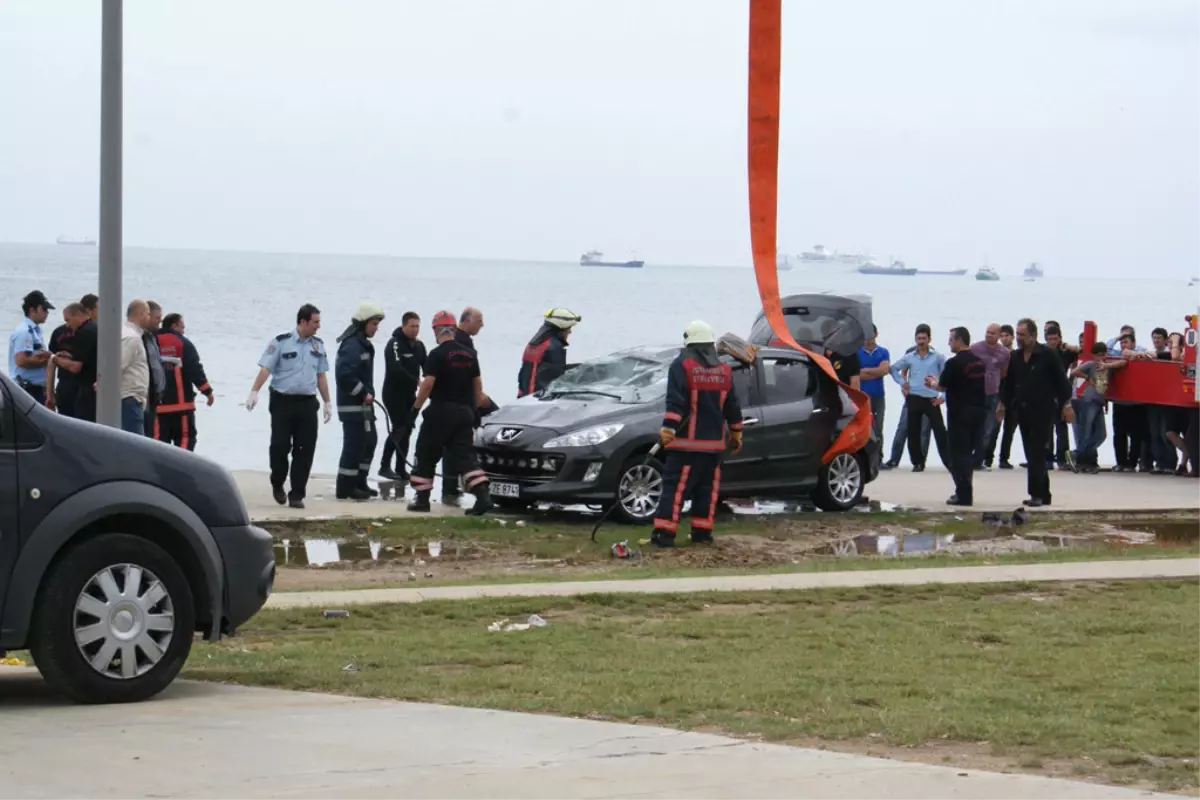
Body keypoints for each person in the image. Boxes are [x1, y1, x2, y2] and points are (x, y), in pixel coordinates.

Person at [650, 320, 743, 547]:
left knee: (675, 490)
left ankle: (664, 534)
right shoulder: (724, 371)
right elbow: (733, 407)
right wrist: (736, 433)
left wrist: (667, 430)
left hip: (685, 446)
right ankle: (702, 533)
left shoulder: (681, 366)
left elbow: (676, 403)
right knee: (707, 491)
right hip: (713, 447)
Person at [407, 310, 494, 515]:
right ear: (454, 329)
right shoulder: (470, 355)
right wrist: (475, 413)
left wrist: (415, 410)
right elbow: (478, 388)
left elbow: (427, 384)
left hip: (440, 411)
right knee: (465, 457)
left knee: (426, 453)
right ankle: (482, 496)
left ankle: (422, 499)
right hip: (465, 413)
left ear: (436, 330)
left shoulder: (436, 354)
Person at [247, 304, 333, 509]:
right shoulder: (281, 342)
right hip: (282, 401)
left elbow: (321, 376)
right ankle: (277, 481)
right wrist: (254, 391)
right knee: (280, 445)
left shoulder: (318, 346)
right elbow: (266, 368)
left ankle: (297, 494)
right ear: (303, 322)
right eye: (315, 322)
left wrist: (328, 402)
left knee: (305, 449)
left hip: (307, 402)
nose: (318, 326)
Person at [999, 319, 1073, 507]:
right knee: (1030, 452)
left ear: (1033, 336)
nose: (1018, 338)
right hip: (1022, 411)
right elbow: (1008, 384)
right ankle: (1044, 494)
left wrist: (1066, 404)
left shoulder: (1047, 355)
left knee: (1037, 452)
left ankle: (1036, 495)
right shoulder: (1015, 356)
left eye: (1022, 335)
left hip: (1043, 410)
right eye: (1017, 334)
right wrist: (1003, 404)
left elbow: (1062, 383)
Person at [926, 326, 986, 505]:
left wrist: (932, 383)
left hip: (959, 413)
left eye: (951, 340)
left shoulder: (953, 363)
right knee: (968, 453)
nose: (949, 343)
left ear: (959, 340)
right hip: (978, 411)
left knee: (959, 456)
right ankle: (965, 492)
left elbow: (942, 386)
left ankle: (964, 495)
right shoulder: (979, 362)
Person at [334, 303, 385, 501]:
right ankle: (345, 488)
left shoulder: (363, 343)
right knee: (354, 445)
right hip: (353, 406)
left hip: (365, 406)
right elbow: (344, 375)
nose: (376, 328)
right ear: (363, 323)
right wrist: (363, 392)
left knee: (369, 442)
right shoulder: (352, 345)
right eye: (373, 323)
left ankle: (359, 482)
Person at [888, 324, 949, 472]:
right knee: (913, 431)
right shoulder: (910, 357)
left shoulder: (938, 357)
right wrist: (903, 383)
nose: (921, 341)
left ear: (929, 339)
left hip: (931, 399)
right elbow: (893, 369)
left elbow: (947, 378)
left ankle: (949, 460)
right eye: (919, 338)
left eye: (924, 338)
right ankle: (917, 462)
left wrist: (943, 396)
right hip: (914, 397)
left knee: (940, 431)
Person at [442, 306, 486, 502]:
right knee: (458, 447)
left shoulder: (464, 341)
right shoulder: (461, 343)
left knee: (453, 447)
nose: (482, 325)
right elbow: (470, 376)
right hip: (461, 402)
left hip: (460, 401)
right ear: (466, 320)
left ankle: (452, 486)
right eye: (479, 321)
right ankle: (455, 486)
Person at [153, 313, 214, 451]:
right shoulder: (183, 343)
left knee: (157, 447)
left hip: (158, 407)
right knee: (184, 443)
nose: (183, 331)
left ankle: (159, 473)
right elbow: (195, 370)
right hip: (182, 407)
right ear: (174, 325)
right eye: (182, 326)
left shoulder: (152, 341)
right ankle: (181, 472)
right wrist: (208, 392)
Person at [379, 311, 426, 481]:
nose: (415, 330)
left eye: (417, 326)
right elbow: (395, 369)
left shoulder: (419, 346)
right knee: (399, 428)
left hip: (409, 395)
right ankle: (384, 466)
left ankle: (400, 468)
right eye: (412, 326)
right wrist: (417, 381)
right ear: (403, 326)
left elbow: (428, 367)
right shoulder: (394, 344)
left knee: (407, 430)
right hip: (393, 394)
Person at [1069, 342, 1127, 473]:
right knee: (1087, 432)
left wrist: (1107, 364)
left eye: (1104, 355)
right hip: (1088, 400)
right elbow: (1074, 372)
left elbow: (1123, 362)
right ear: (1094, 356)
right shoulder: (1091, 365)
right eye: (1099, 355)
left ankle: (1077, 454)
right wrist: (1088, 378)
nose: (1101, 358)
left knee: (1101, 434)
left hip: (1099, 402)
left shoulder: (1108, 366)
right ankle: (1085, 462)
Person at [968, 323, 1010, 470]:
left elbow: (1005, 373)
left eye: (992, 333)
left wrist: (1003, 398)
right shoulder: (975, 348)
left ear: (999, 335)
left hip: (994, 393)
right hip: (977, 393)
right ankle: (968, 457)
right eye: (987, 332)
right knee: (974, 427)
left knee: (989, 429)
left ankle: (979, 461)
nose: (989, 335)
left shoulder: (1004, 353)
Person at [517, 308, 581, 398]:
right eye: (568, 328)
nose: (570, 332)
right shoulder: (553, 348)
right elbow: (557, 378)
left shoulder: (536, 342)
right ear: (561, 328)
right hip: (540, 401)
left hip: (524, 397)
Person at [8, 290, 54, 404]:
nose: (47, 312)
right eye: (44, 309)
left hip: (36, 388)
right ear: (32, 310)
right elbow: (21, 360)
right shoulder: (25, 331)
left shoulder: (35, 331)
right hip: (27, 389)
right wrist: (50, 359)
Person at [44, 302, 88, 417]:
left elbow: (52, 360)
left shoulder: (86, 333)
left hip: (78, 387)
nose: (68, 324)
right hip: (69, 386)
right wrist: (50, 395)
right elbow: (52, 361)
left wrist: (50, 394)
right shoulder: (60, 333)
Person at [1044, 325, 1078, 470]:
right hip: (1045, 393)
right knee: (1046, 429)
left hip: (1061, 392)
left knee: (1061, 428)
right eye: (1050, 339)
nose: (1052, 341)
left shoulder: (1064, 353)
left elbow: (1082, 352)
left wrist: (1065, 345)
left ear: (1059, 339)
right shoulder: (1042, 352)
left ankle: (1062, 459)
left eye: (1055, 339)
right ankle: (1047, 459)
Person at [120, 300, 152, 435]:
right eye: (148, 314)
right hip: (129, 397)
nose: (149, 318)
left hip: (130, 398)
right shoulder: (132, 337)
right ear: (141, 314)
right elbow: (119, 364)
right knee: (134, 443)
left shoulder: (126, 333)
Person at [857, 325, 891, 449]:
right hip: (863, 396)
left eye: (870, 335)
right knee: (864, 427)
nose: (868, 338)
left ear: (876, 334)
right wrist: (877, 371)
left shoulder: (883, 352)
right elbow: (858, 374)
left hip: (878, 395)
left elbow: (885, 370)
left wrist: (866, 371)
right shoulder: (857, 352)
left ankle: (879, 458)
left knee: (878, 427)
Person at [142, 300, 166, 438]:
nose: (159, 322)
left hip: (153, 398)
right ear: (146, 316)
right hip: (142, 399)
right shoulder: (137, 338)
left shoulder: (151, 337)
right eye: (157, 318)